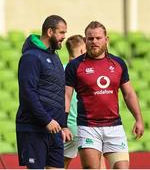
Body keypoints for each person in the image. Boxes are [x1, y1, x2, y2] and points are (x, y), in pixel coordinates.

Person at [65, 21, 144, 169]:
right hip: (88, 127)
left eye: (98, 38)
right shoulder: (75, 66)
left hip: (114, 127)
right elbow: (66, 96)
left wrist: (139, 119)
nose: (94, 41)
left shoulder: (118, 63)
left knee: (122, 168)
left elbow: (129, 94)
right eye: (90, 38)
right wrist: (63, 123)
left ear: (106, 40)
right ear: (85, 40)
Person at [16, 15, 67, 169]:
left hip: (55, 130)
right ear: (50, 31)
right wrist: (47, 120)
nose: (64, 37)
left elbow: (59, 91)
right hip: (34, 129)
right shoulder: (30, 57)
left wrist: (63, 125)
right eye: (61, 32)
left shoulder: (55, 56)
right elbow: (28, 93)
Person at [63, 34, 86, 169]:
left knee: (60, 164)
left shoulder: (59, 70)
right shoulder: (85, 70)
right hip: (85, 126)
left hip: (67, 127)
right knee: (96, 163)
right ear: (83, 50)